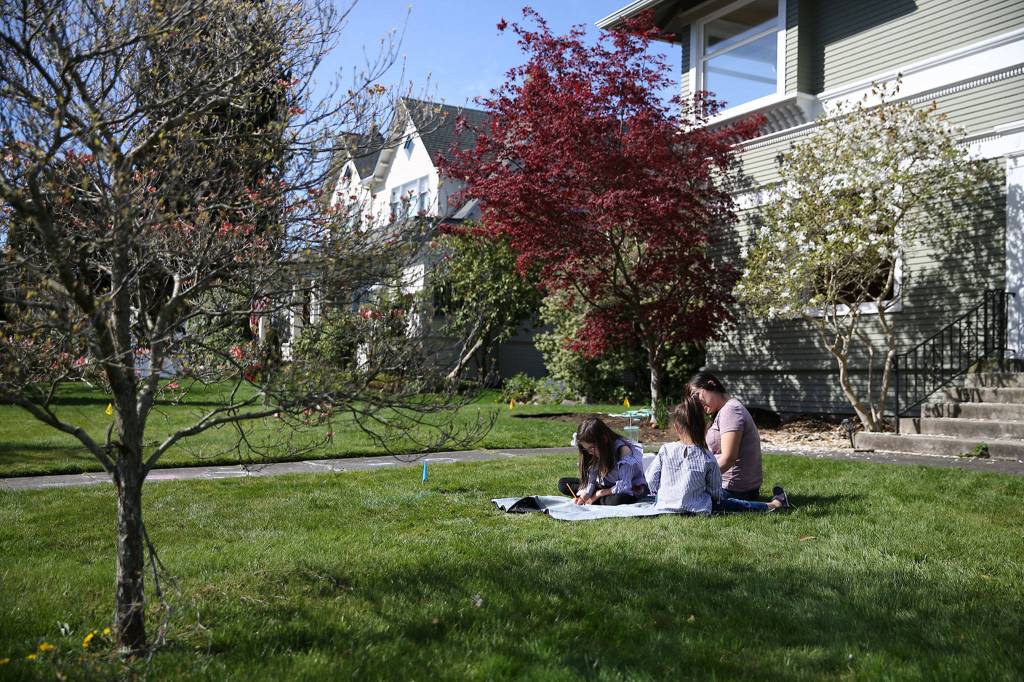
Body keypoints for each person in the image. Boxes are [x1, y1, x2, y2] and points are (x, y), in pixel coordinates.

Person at [646, 396, 789, 515]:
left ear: (677, 427)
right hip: (698, 508)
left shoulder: (665, 450)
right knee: (736, 505)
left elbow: (651, 481)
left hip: (664, 506)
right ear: (704, 427)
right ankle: (773, 505)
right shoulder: (707, 456)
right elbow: (715, 492)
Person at [688, 371, 770, 502]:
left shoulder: (730, 410)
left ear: (711, 384)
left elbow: (729, 458)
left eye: (697, 395)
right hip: (732, 487)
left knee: (680, 497)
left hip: (734, 490)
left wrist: (698, 479)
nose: (697, 402)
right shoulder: (724, 410)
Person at [557, 416, 648, 505]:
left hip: (630, 489)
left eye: (592, 447)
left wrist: (598, 494)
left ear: (604, 439)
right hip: (607, 486)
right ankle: (597, 499)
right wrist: (587, 494)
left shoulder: (623, 451)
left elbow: (625, 486)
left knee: (619, 499)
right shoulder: (593, 452)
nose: (589, 452)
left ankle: (598, 499)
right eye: (586, 449)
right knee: (563, 483)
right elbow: (592, 478)